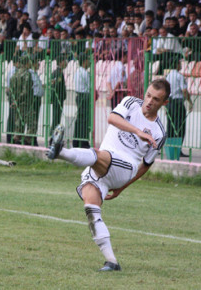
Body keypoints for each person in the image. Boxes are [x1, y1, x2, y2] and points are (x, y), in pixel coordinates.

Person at [46, 79, 170, 272]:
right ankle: (112, 261)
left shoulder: (160, 132)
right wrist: (138, 131)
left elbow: (146, 164)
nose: (149, 102)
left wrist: (122, 187)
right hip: (100, 163)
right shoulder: (130, 103)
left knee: (97, 155)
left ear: (164, 103)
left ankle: (59, 152)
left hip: (124, 166)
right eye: (148, 95)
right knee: (91, 209)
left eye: (156, 99)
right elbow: (112, 118)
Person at [166, 59, 193, 157]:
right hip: (178, 103)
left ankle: (170, 149)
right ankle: (178, 150)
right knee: (180, 127)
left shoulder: (168, 76)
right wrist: (190, 102)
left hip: (169, 103)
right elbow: (184, 90)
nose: (180, 65)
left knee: (171, 127)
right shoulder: (179, 76)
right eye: (179, 63)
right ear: (177, 64)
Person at [73, 54, 91, 148]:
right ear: (84, 62)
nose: (89, 62)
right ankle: (83, 141)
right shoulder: (84, 73)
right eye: (88, 60)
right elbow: (89, 87)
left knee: (80, 120)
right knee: (84, 120)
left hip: (79, 96)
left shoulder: (78, 72)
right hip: (84, 97)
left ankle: (77, 140)